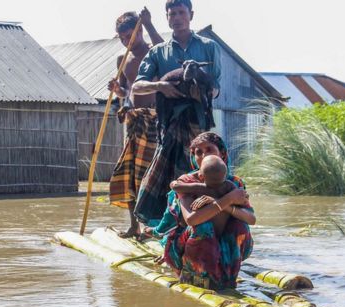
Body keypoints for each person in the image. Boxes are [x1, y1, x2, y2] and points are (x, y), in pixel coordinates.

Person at [131, 0, 222, 224]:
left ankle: (206, 221)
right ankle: (168, 225)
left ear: (191, 15)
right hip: (169, 123)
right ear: (167, 18)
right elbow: (137, 86)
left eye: (181, 13)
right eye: (172, 14)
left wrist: (201, 93)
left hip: (199, 123)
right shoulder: (158, 52)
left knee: (202, 171)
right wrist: (160, 86)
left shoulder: (209, 46)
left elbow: (217, 88)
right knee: (165, 176)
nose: (177, 18)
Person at [159, 132, 255, 290]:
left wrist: (227, 205)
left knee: (240, 225)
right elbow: (192, 220)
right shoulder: (188, 182)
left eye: (209, 150)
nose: (203, 155)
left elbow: (251, 218)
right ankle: (196, 277)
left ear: (222, 153)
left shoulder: (234, 184)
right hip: (192, 244)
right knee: (203, 227)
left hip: (224, 241)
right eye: (198, 152)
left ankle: (228, 277)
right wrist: (226, 200)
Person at [107, 8, 164, 238]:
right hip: (132, 121)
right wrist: (117, 90)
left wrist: (149, 24)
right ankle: (134, 226)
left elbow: (165, 49)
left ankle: (153, 227)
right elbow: (125, 91)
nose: (125, 41)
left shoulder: (155, 52)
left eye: (129, 35)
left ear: (139, 31)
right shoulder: (123, 60)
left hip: (154, 119)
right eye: (121, 38)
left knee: (149, 175)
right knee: (129, 174)